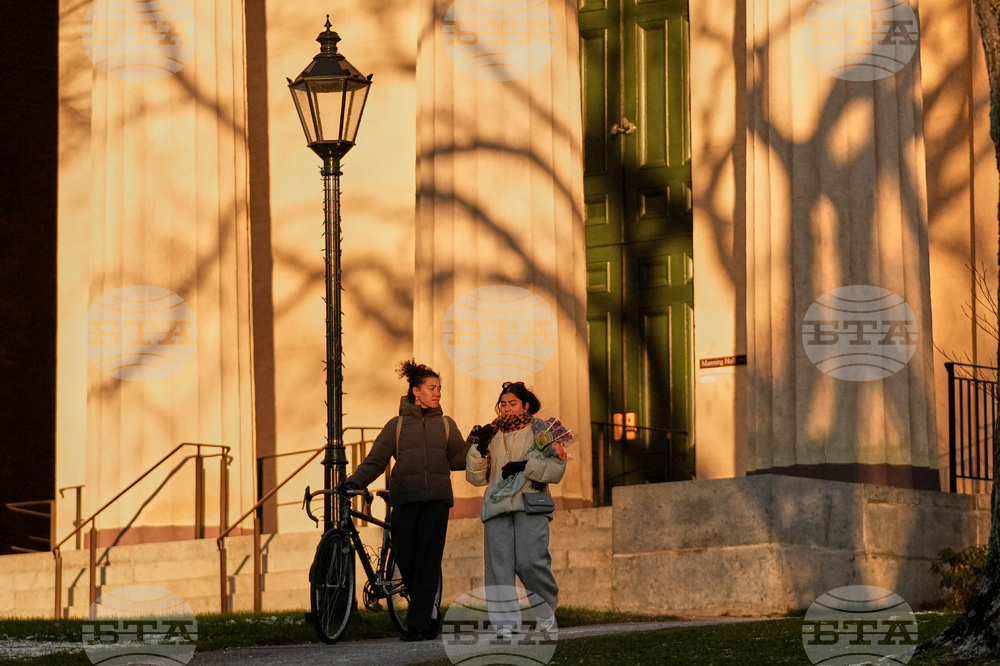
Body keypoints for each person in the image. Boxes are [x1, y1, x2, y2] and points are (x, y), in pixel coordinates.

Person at [339, 360, 468, 641]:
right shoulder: (395, 426)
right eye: (431, 388)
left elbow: (458, 460)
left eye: (439, 389)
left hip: (436, 502)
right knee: (407, 560)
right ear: (415, 390)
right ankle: (429, 611)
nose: (437, 393)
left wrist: (476, 446)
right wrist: (354, 482)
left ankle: (418, 625)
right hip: (405, 500)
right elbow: (375, 461)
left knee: (428, 562)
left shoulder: (447, 425)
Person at [466, 381, 567, 637]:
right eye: (503, 404)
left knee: (531, 562)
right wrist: (478, 450)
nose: (507, 409)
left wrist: (525, 466)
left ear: (526, 406)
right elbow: (476, 479)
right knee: (498, 568)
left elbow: (556, 470)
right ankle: (505, 625)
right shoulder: (491, 433)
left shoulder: (541, 431)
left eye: (513, 404)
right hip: (497, 508)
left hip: (530, 505)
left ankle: (545, 613)